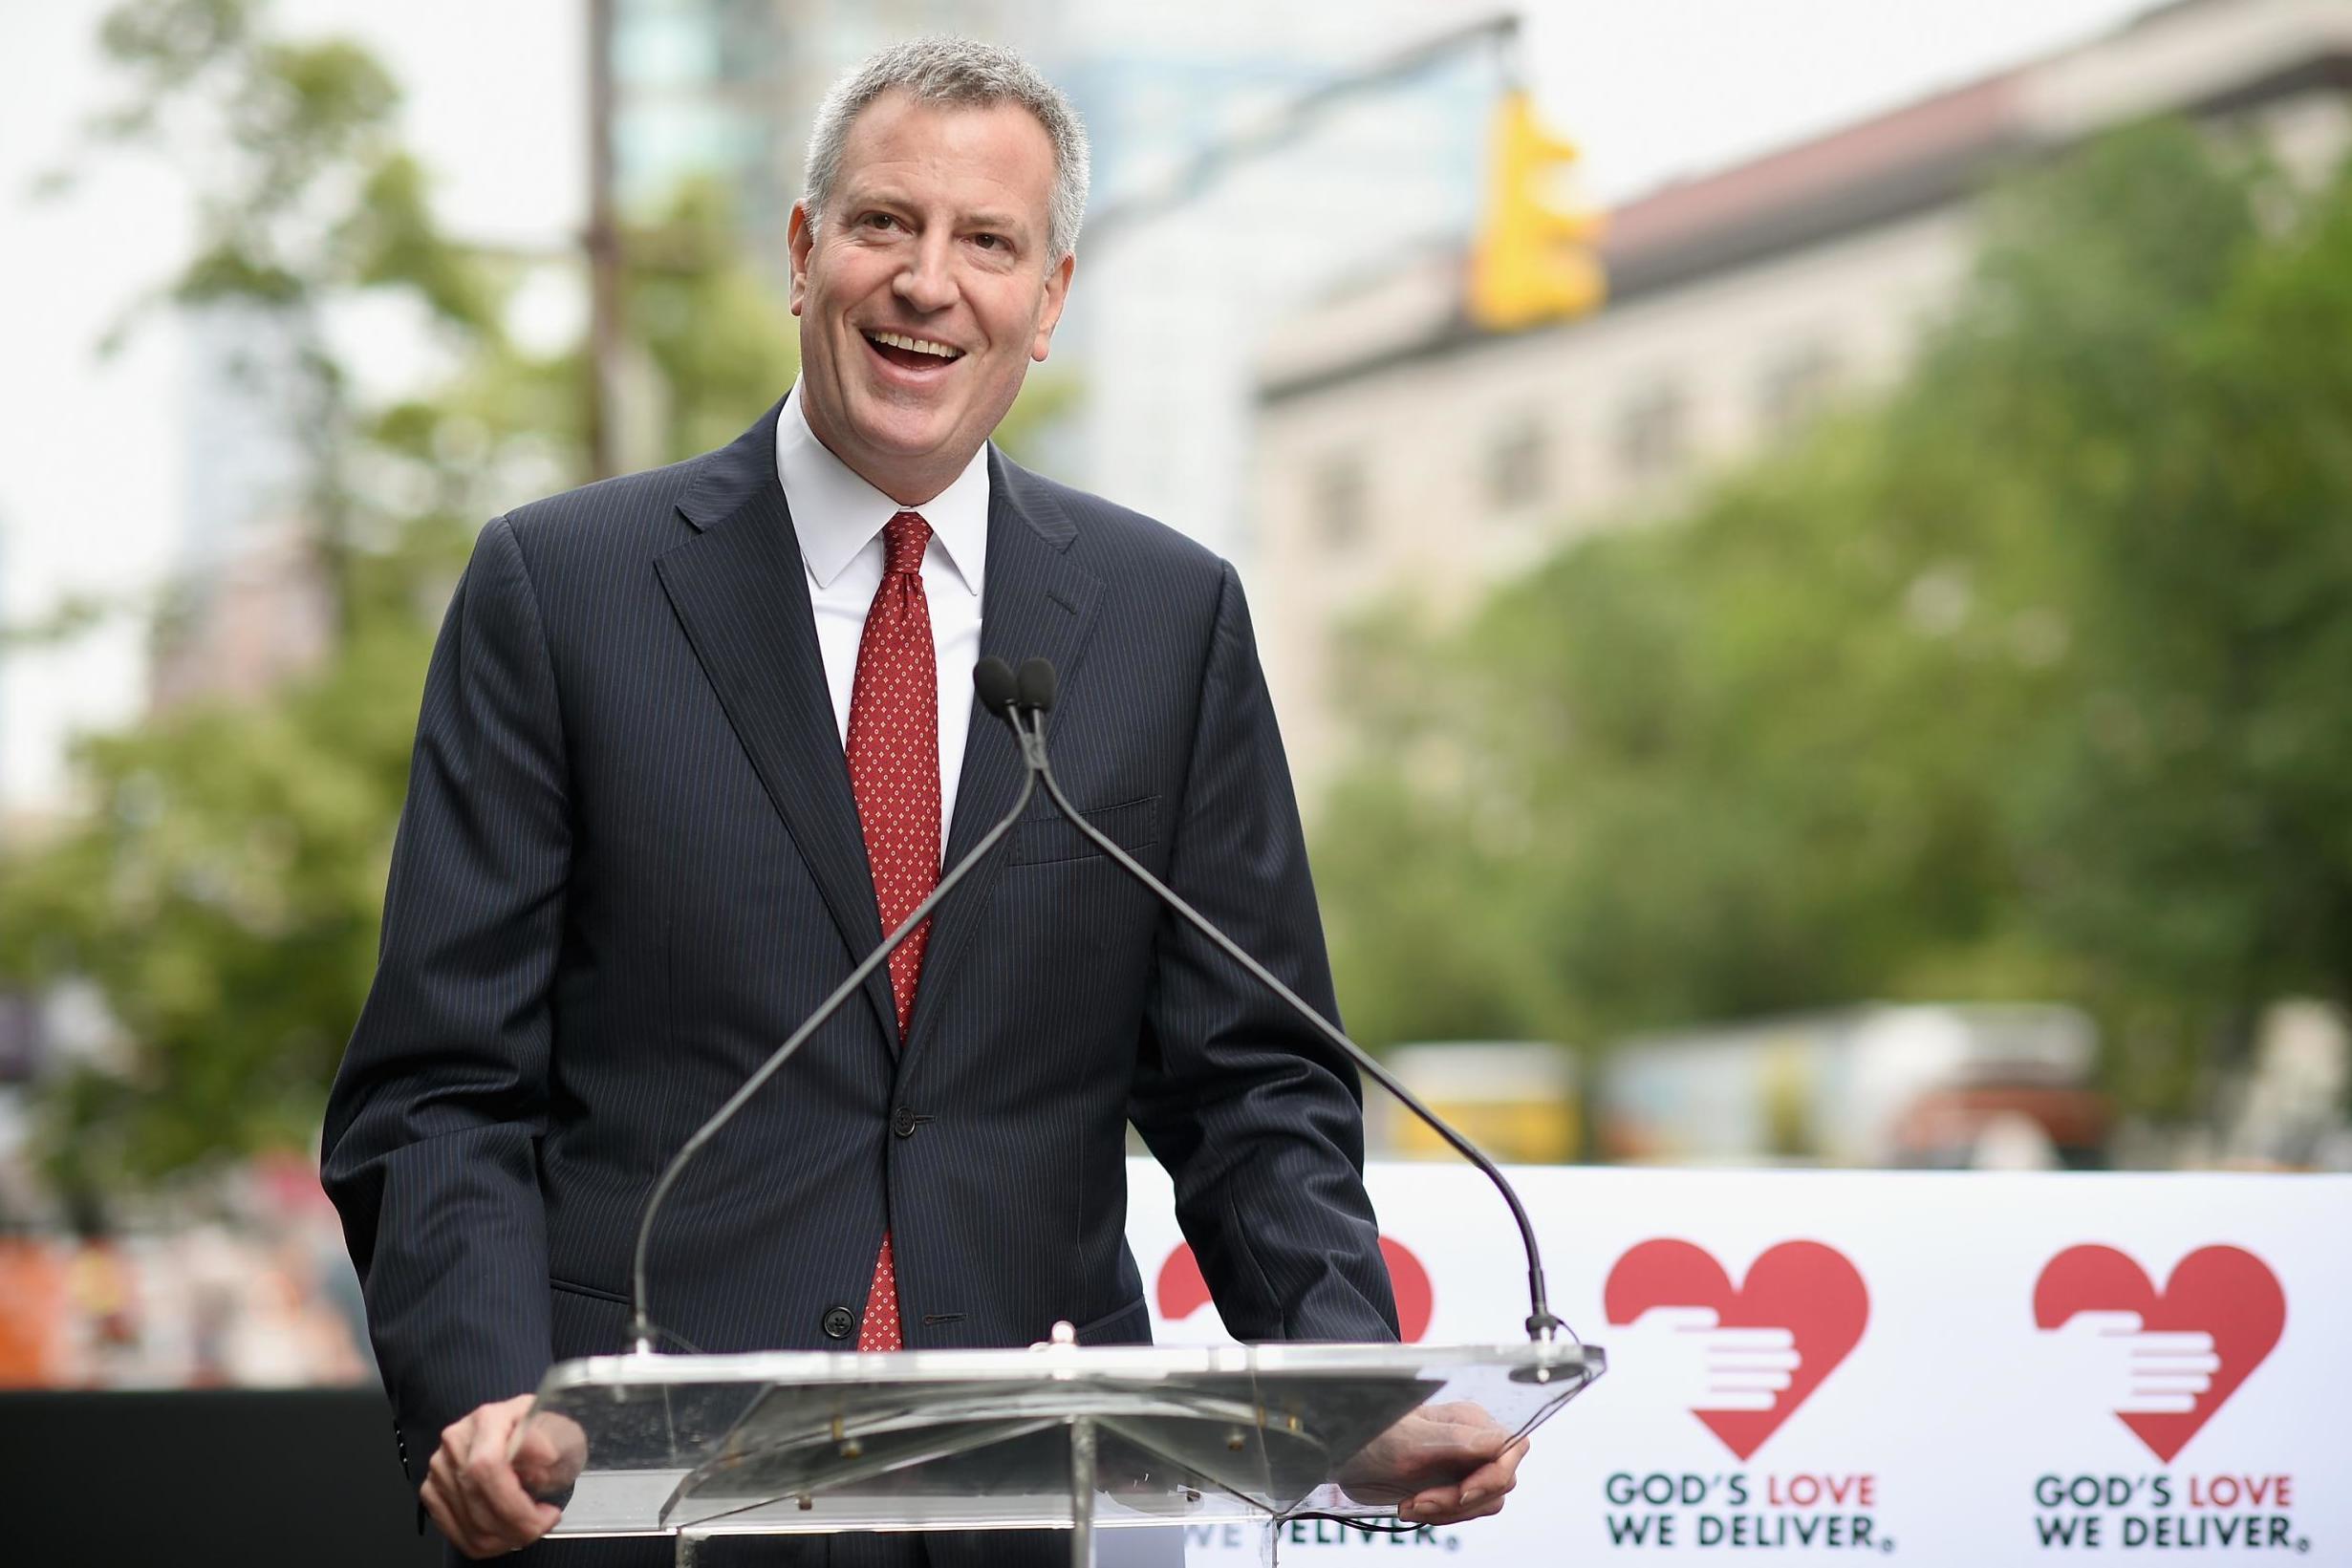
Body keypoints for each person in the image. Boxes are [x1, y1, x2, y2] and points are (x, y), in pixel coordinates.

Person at [321, 37, 1524, 1564]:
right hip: (637, 1493)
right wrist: (484, 1401)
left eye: (988, 243)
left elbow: (1251, 1088)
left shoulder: (1170, 618)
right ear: (805, 250)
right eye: (886, 223)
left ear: (1048, 303)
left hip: (1040, 1492)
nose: (927, 281)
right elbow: (438, 1089)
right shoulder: (563, 591)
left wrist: (1353, 1378)